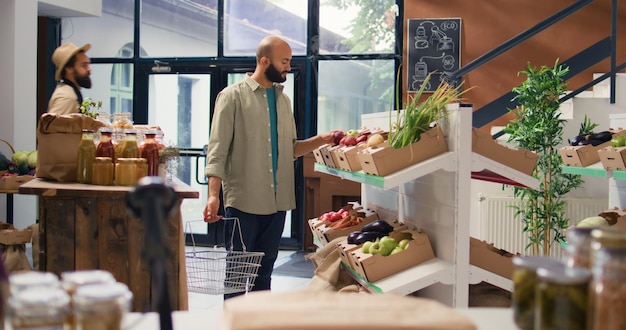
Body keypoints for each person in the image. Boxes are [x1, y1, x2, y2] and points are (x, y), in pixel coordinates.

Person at [203, 36, 337, 299]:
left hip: (277, 203)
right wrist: (212, 196)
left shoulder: (283, 102)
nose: (288, 67)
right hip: (243, 202)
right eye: (284, 61)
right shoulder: (231, 97)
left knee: (264, 275)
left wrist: (322, 139)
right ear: (265, 61)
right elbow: (217, 151)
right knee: (238, 273)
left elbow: (290, 150)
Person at [48, 42, 92, 115]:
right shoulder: (67, 97)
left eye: (88, 64)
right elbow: (54, 126)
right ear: (69, 68)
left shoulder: (71, 92)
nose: (89, 69)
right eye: (84, 65)